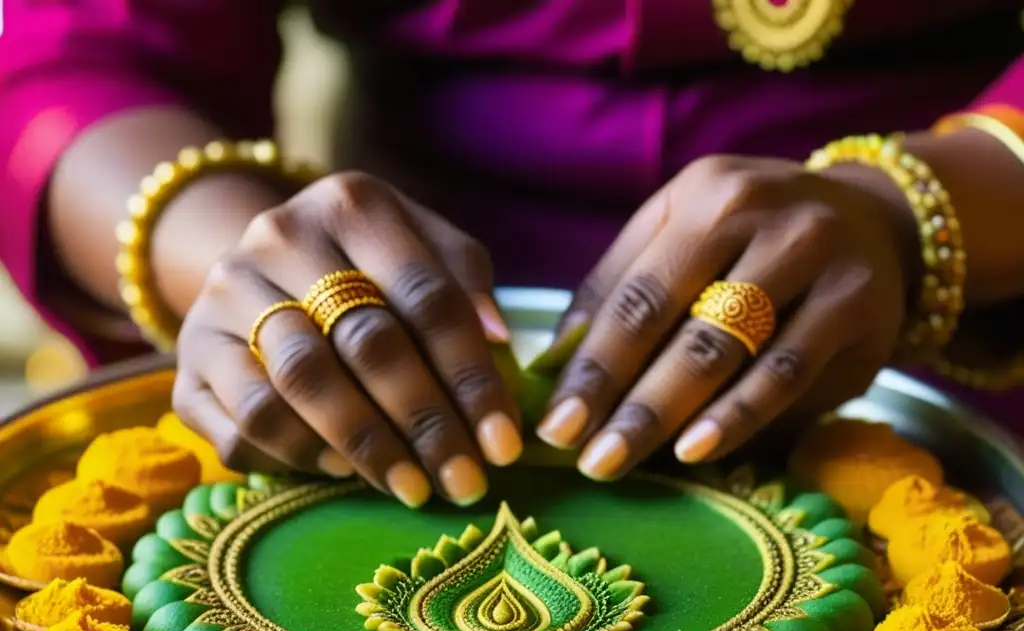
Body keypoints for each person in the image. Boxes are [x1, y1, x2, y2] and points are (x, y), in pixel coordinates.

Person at [2, 2, 1024, 505]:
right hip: (379, 366)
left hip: (954, 343)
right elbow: (73, 48)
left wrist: (914, 214)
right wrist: (230, 252)